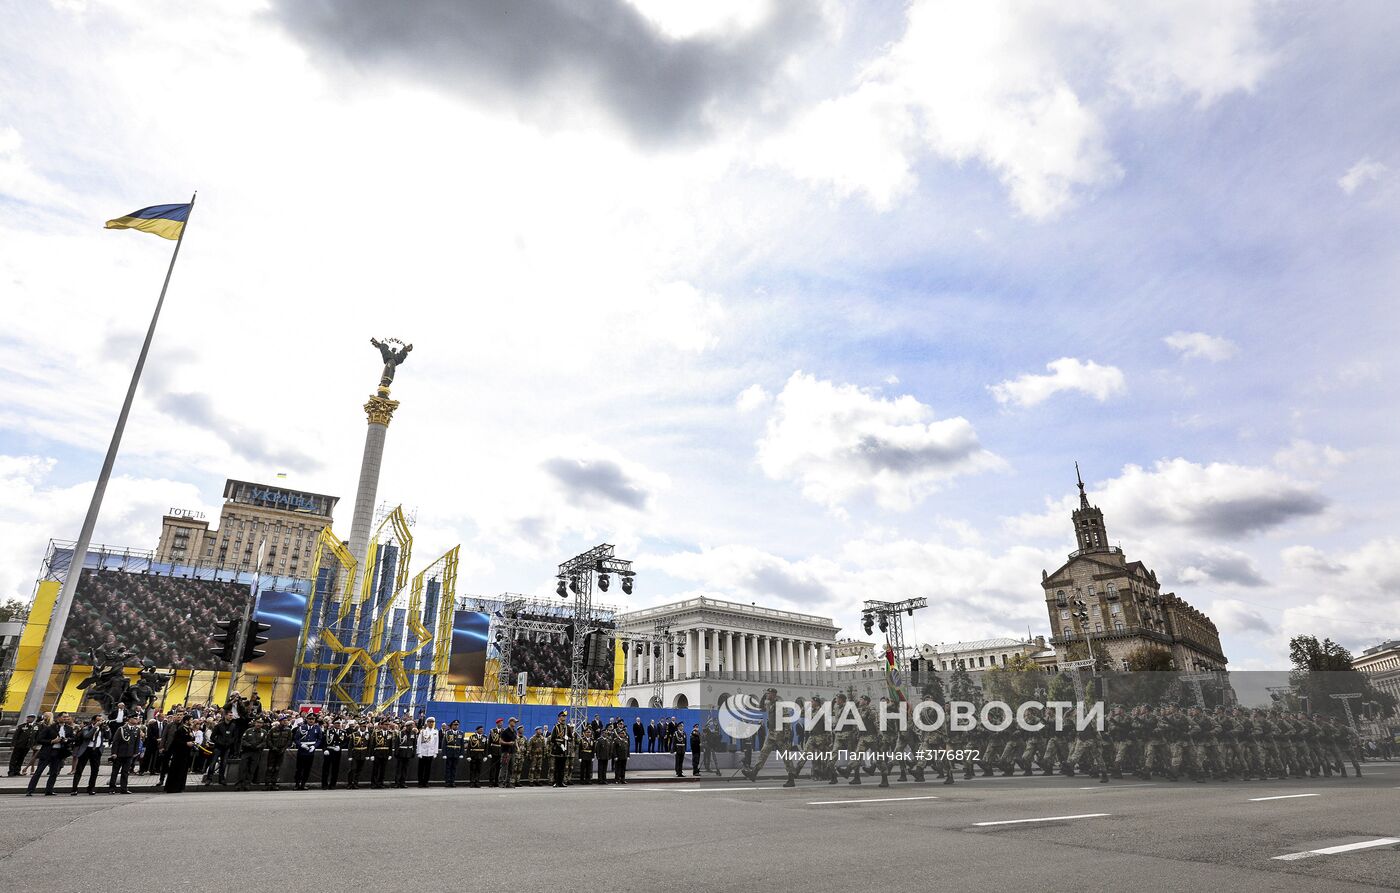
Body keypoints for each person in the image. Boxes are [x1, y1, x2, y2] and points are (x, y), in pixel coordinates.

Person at [27, 713, 73, 797]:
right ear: (59, 718)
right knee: (39, 771)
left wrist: (67, 740)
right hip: (47, 752)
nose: (66, 718)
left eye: (67, 717)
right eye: (64, 717)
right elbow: (39, 739)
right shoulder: (50, 727)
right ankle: (30, 790)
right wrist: (51, 741)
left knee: (54, 773)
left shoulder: (69, 728)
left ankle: (49, 790)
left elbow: (73, 738)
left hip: (59, 752)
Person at [70, 715, 109, 796]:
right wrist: (95, 727)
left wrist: (107, 729)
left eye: (101, 720)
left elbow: (108, 737)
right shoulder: (86, 728)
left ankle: (91, 788)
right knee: (79, 770)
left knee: (95, 770)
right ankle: (74, 789)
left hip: (96, 750)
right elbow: (87, 736)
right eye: (98, 720)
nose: (100, 722)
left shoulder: (102, 729)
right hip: (86, 750)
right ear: (93, 721)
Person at [108, 714, 143, 794]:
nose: (136, 720)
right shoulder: (121, 729)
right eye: (134, 718)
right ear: (129, 720)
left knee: (125, 772)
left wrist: (136, 752)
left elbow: (137, 742)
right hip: (119, 754)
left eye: (136, 718)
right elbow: (115, 742)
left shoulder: (137, 730)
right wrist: (114, 753)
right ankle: (111, 788)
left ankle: (124, 788)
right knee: (115, 772)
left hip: (129, 754)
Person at [163, 717, 196, 794]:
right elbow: (176, 741)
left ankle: (180, 787)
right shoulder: (181, 730)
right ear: (186, 721)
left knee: (183, 770)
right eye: (191, 720)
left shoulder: (189, 729)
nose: (192, 721)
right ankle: (172, 787)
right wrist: (186, 743)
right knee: (176, 770)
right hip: (179, 754)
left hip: (186, 753)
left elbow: (190, 738)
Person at [293, 715, 323, 790]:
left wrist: (314, 746)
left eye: (313, 719)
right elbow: (296, 739)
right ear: (306, 719)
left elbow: (319, 739)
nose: (311, 721)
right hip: (302, 750)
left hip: (310, 751)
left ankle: (303, 784)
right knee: (299, 768)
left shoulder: (317, 728)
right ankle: (297, 784)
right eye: (309, 719)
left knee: (307, 768)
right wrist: (301, 744)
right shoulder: (301, 728)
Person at [265, 716, 294, 790]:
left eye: (286, 721)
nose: (285, 722)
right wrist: (273, 747)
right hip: (273, 751)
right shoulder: (273, 729)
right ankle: (267, 784)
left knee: (277, 768)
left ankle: (274, 783)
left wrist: (284, 749)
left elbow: (289, 741)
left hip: (281, 751)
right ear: (280, 721)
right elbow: (268, 740)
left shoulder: (288, 730)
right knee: (270, 767)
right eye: (284, 721)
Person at [549, 712, 572, 788]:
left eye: (565, 716)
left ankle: (561, 782)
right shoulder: (556, 727)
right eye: (562, 716)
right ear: (559, 717)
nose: (564, 718)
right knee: (556, 767)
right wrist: (559, 742)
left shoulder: (567, 727)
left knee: (563, 767)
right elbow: (552, 739)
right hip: (558, 750)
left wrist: (567, 738)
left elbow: (571, 738)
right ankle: (555, 782)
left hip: (564, 750)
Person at [416, 717, 440, 787]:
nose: (431, 723)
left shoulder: (436, 731)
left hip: (430, 752)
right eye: (430, 722)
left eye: (432, 722)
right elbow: (419, 742)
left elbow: (436, 742)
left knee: (428, 769)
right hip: (423, 752)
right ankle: (420, 782)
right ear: (427, 723)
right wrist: (419, 752)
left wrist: (435, 752)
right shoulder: (422, 731)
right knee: (421, 768)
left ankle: (426, 782)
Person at [321, 719, 344, 789]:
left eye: (339, 723)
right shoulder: (328, 732)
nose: (338, 725)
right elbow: (323, 742)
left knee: (335, 769)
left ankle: (333, 784)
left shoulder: (343, 732)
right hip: (329, 751)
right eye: (336, 723)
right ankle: (324, 784)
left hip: (337, 752)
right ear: (333, 724)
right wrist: (325, 750)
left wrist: (340, 747)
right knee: (326, 769)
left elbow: (345, 742)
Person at [441, 720, 464, 788]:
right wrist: (444, 753)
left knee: (454, 768)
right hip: (449, 752)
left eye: (457, 725)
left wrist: (461, 753)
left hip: (456, 753)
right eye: (454, 725)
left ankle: (452, 781)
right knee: (448, 768)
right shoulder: (448, 733)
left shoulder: (461, 733)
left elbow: (462, 744)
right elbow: (444, 744)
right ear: (452, 725)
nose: (456, 726)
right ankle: (447, 782)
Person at [499, 718, 519, 788]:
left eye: (515, 722)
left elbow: (515, 740)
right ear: (510, 722)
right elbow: (500, 741)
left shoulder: (514, 731)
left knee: (511, 768)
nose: (515, 724)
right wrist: (508, 743)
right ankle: (501, 782)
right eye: (514, 722)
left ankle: (508, 782)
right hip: (506, 752)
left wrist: (518, 748)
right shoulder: (505, 731)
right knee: (504, 767)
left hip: (512, 752)